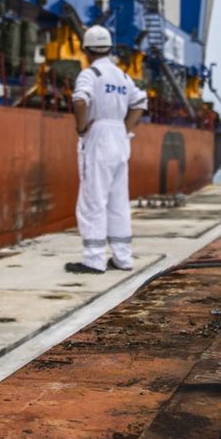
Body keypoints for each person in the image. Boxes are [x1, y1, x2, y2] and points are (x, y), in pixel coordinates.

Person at [66, 25, 148, 274]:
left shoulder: (91, 74)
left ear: (86, 50)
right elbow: (140, 102)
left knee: (93, 199)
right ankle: (123, 258)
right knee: (118, 201)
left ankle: (94, 259)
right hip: (120, 138)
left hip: (99, 136)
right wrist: (125, 127)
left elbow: (80, 99)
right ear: (110, 47)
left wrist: (81, 127)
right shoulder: (123, 77)